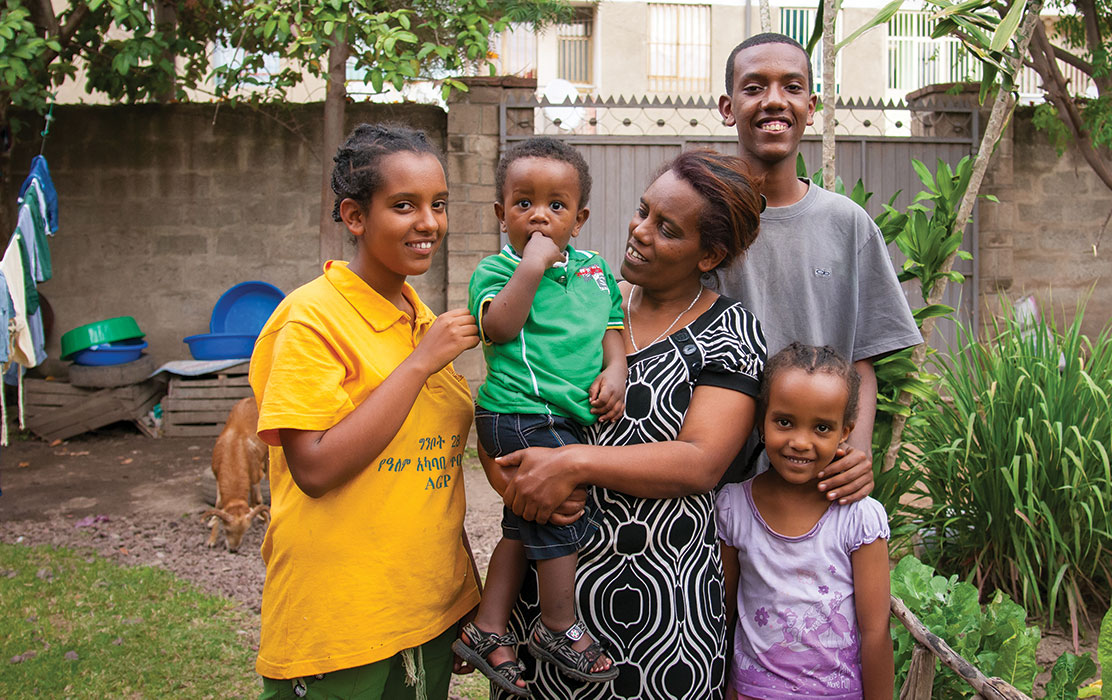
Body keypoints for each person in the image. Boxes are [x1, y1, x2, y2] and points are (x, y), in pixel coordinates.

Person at [485, 149, 768, 700]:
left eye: (667, 229)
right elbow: (510, 398)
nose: (639, 231)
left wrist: (570, 463)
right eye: (643, 211)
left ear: (709, 255)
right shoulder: (580, 298)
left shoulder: (729, 331)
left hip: (663, 610)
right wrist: (511, 478)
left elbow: (700, 462)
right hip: (549, 596)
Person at [248, 123, 481, 700]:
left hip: (427, 613)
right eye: (404, 206)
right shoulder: (310, 319)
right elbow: (315, 468)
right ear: (355, 216)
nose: (429, 223)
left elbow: (434, 477)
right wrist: (419, 365)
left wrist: (467, 595)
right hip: (339, 620)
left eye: (438, 204)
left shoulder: (422, 322)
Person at [715, 32, 922, 498]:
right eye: (754, 87)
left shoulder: (848, 224)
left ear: (811, 107)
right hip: (716, 484)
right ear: (728, 108)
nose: (774, 100)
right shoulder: (706, 220)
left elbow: (861, 359)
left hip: (818, 484)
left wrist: (858, 449)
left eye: (791, 87)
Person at [455, 137, 626, 696]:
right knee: (558, 519)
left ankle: (487, 626)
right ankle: (557, 624)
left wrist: (617, 368)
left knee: (522, 522)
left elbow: (612, 325)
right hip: (519, 410)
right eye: (523, 202)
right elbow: (499, 327)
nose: (539, 215)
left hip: (565, 417)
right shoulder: (496, 269)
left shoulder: (596, 270)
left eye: (556, 205)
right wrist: (531, 265)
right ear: (501, 212)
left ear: (579, 219)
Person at [717, 343, 892, 700]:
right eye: (784, 422)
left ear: (845, 432)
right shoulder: (734, 508)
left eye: (822, 428)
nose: (800, 442)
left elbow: (876, 632)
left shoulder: (858, 518)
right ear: (761, 422)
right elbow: (723, 617)